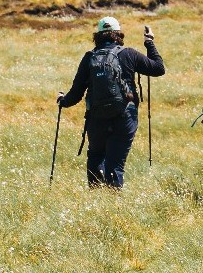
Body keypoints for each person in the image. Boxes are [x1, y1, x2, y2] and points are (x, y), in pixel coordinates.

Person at [57, 16, 165, 189]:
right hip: (125, 116)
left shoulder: (89, 58)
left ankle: (96, 203)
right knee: (115, 165)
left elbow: (76, 93)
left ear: (97, 35)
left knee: (95, 159)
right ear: (118, 34)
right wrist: (149, 42)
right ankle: (112, 204)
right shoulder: (129, 54)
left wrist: (63, 101)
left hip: (96, 117)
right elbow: (158, 69)